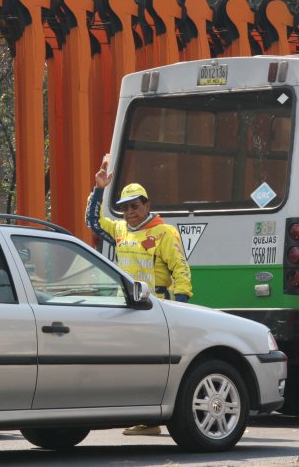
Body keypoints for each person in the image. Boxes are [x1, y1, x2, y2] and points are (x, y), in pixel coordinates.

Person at [85, 153, 193, 436]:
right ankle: (147, 419)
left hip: (157, 307)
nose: (129, 212)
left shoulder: (164, 233)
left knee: (157, 363)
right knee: (136, 363)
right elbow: (93, 222)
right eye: (124, 207)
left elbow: (181, 270)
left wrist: (180, 305)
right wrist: (99, 189)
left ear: (147, 205)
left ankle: (154, 418)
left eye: (134, 206)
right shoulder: (120, 229)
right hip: (128, 306)